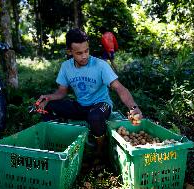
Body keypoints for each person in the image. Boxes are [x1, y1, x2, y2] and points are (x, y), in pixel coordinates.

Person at [36, 28, 142, 167]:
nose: (84, 56)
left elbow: (119, 88)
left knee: (95, 117)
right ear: (70, 52)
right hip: (81, 106)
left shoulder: (100, 65)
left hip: (101, 105)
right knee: (47, 106)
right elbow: (61, 92)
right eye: (79, 53)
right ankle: (57, 144)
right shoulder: (66, 67)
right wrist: (48, 98)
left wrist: (134, 107)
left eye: (86, 51)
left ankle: (100, 152)